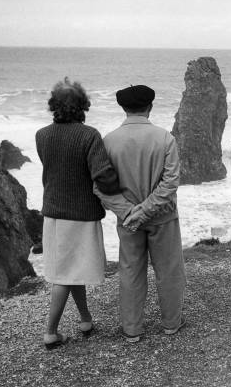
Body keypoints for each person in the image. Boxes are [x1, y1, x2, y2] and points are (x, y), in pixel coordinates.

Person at [94, 85, 186, 343]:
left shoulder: (108, 141)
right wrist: (145, 210)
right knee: (168, 270)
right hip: (163, 217)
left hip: (128, 221)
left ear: (123, 108)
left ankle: (132, 329)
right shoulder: (165, 138)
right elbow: (170, 184)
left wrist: (129, 213)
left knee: (131, 271)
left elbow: (99, 186)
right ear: (150, 106)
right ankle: (171, 323)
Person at [36, 78, 122, 350]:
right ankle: (50, 332)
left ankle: (85, 319)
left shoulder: (42, 135)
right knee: (65, 274)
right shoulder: (89, 136)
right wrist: (122, 190)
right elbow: (102, 175)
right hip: (80, 213)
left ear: (54, 106)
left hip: (53, 213)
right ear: (83, 105)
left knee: (69, 269)